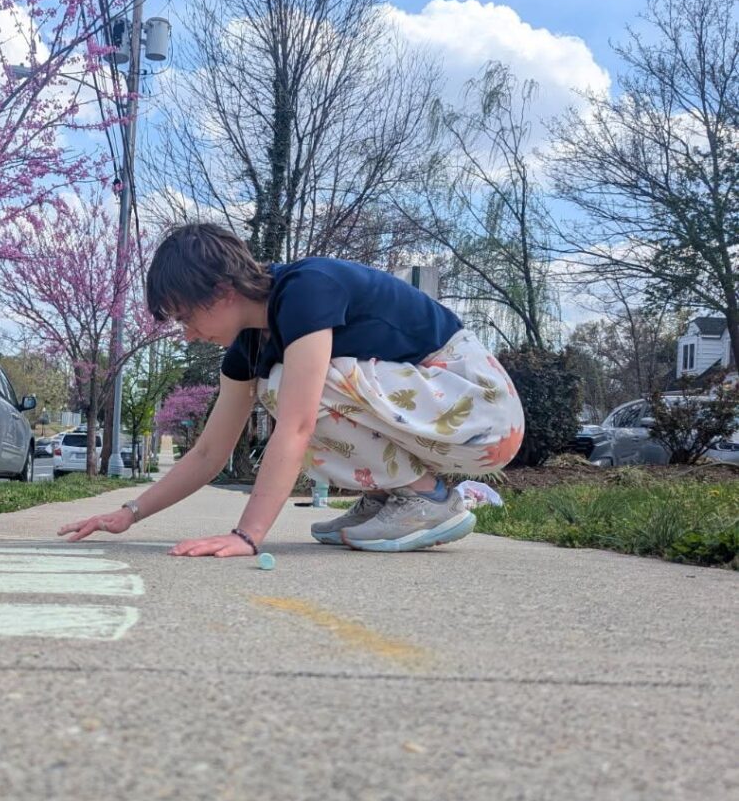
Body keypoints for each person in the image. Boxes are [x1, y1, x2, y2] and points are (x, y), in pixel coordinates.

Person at [59, 223, 525, 557]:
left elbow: (298, 424)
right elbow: (209, 452)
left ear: (221, 292)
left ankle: (426, 498)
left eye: (186, 317)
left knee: (288, 388)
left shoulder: (305, 289)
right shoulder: (249, 347)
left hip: (483, 409)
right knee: (278, 385)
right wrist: (130, 513)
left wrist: (247, 535)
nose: (188, 334)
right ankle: (393, 497)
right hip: (442, 417)